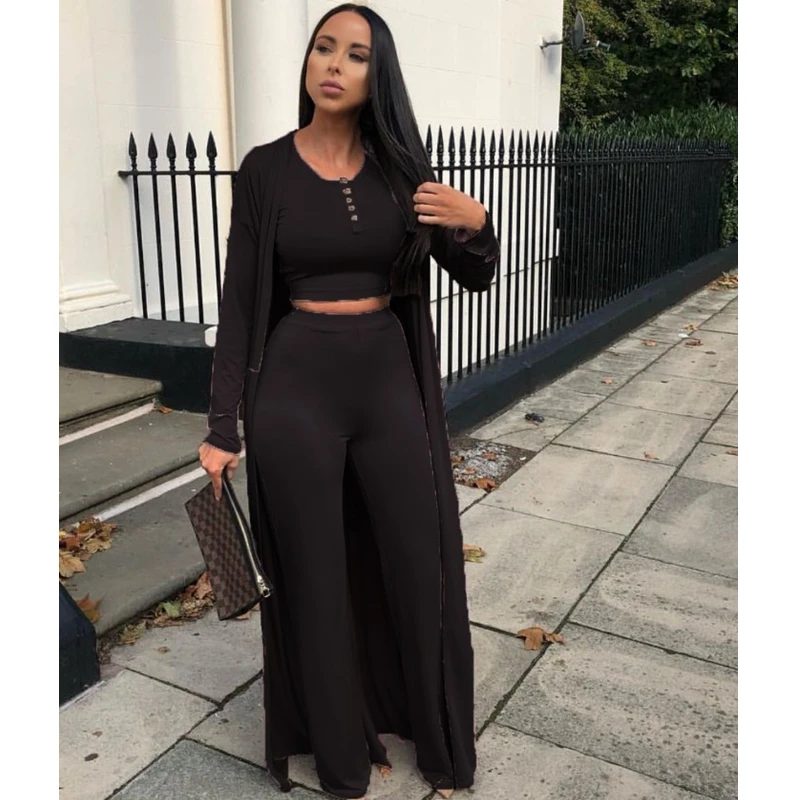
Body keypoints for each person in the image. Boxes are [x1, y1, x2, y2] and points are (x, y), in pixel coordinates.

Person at [198, 4, 500, 799]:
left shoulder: (402, 171)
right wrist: (222, 425)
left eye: (356, 54)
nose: (334, 64)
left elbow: (474, 273)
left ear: (377, 74)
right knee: (315, 578)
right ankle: (340, 760)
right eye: (323, 47)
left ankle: (437, 742)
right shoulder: (264, 170)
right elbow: (239, 305)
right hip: (295, 391)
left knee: (418, 560)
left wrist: (477, 224)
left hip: (387, 381)